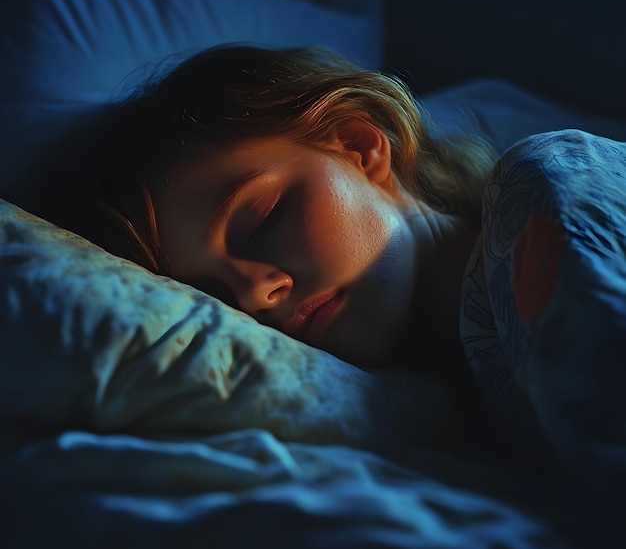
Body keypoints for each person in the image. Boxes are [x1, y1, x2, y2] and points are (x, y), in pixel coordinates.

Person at [33, 43, 497, 377]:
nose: (253, 297)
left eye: (262, 222)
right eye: (213, 293)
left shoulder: (545, 206)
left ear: (359, 144)